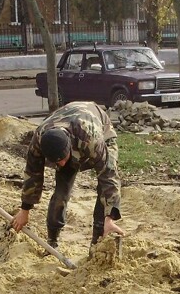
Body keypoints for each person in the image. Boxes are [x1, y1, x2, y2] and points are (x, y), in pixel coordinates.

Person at [11, 101, 124, 248]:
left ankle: (97, 242)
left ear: (70, 147)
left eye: (63, 159)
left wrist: (110, 218)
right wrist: (24, 210)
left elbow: (108, 177)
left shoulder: (91, 139)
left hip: (100, 130)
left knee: (104, 190)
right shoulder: (39, 139)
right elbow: (33, 173)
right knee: (60, 194)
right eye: (56, 162)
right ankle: (52, 241)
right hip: (69, 127)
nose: (61, 165)